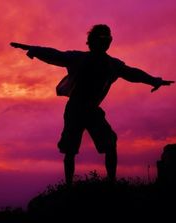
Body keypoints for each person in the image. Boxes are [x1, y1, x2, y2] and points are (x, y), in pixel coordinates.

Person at [10, 24, 174, 185]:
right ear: (92, 42)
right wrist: (35, 49)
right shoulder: (80, 58)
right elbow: (56, 55)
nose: (106, 41)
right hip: (75, 109)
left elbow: (132, 73)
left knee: (108, 143)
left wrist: (154, 80)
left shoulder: (112, 64)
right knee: (70, 149)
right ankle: (70, 186)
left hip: (91, 110)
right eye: (102, 38)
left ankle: (111, 182)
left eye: (108, 38)